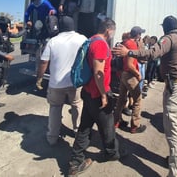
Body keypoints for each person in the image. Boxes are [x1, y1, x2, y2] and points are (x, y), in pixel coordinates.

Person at [113, 15, 177, 177]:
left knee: (174, 129)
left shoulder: (169, 38)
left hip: (176, 86)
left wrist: (129, 52)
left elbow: (152, 53)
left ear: (166, 27)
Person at [68, 18, 120, 176]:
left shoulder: (90, 40)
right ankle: (111, 153)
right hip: (97, 93)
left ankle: (75, 162)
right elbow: (99, 72)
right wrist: (104, 94)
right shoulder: (100, 44)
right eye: (112, 32)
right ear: (108, 30)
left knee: (85, 127)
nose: (112, 35)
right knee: (107, 126)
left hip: (89, 91)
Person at [36, 16, 87, 145]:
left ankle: (52, 137)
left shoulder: (53, 41)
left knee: (55, 108)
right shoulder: (82, 39)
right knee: (77, 105)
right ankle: (77, 132)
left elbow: (43, 62)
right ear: (73, 26)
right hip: (75, 82)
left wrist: (39, 78)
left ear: (59, 27)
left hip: (56, 83)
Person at [0, 16, 25, 115]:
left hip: (4, 62)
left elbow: (17, 35)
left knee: (1, 82)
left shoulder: (5, 33)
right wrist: (6, 55)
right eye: (6, 25)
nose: (7, 27)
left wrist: (26, 29)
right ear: (1, 25)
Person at [113, 26, 147, 134]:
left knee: (121, 99)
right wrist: (138, 74)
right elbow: (129, 64)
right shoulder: (132, 45)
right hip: (130, 75)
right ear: (137, 35)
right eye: (140, 34)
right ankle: (135, 126)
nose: (140, 36)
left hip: (123, 74)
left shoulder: (125, 42)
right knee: (137, 100)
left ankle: (116, 121)